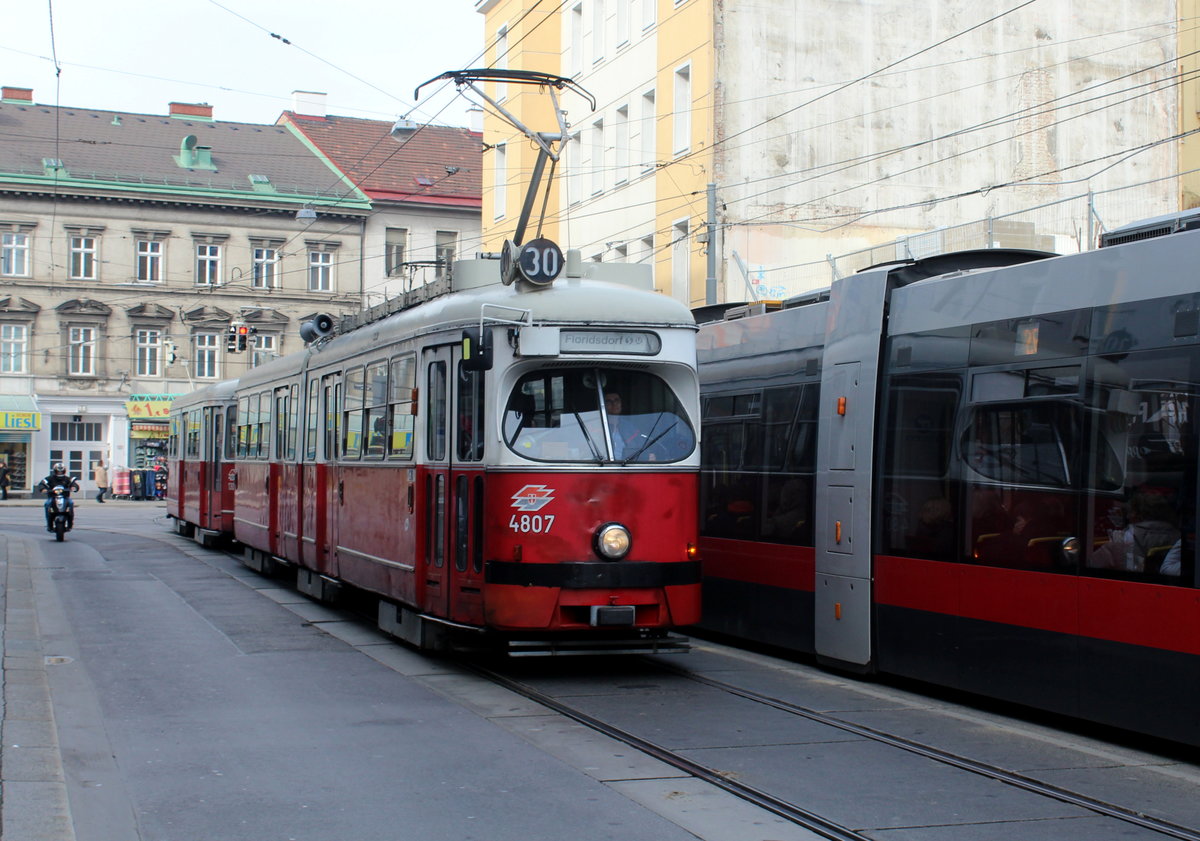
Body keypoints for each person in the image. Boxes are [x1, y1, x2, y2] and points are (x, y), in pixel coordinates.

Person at [37, 462, 80, 532]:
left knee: (71, 503)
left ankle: (70, 523)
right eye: (58, 471)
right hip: (53, 497)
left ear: (64, 471)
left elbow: (74, 484)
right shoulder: (49, 478)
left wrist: (74, 487)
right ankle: (49, 524)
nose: (60, 473)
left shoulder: (67, 479)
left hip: (65, 497)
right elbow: (42, 483)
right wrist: (43, 489)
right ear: (55, 471)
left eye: (61, 471)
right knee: (47, 504)